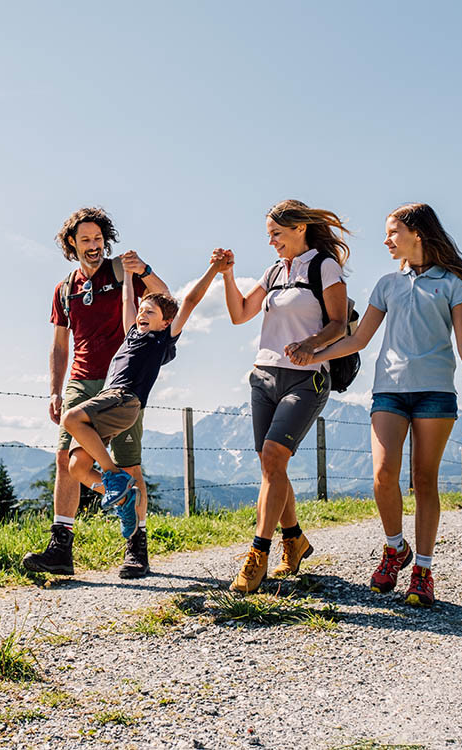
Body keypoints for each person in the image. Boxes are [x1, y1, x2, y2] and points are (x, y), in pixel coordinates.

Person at [291, 202, 462, 607]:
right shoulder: (386, 284)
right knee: (382, 474)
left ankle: (423, 570)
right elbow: (359, 338)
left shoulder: (452, 283)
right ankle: (395, 548)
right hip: (389, 390)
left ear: (417, 233)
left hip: (436, 393)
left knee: (425, 480)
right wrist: (315, 355)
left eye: (393, 232)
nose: (386, 240)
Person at [22, 207, 169, 580]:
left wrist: (145, 271)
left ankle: (136, 548)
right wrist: (55, 390)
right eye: (86, 240)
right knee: (66, 462)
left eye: (99, 239)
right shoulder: (64, 289)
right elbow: (59, 346)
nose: (94, 246)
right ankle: (61, 548)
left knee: (129, 463)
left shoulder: (122, 272)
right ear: (72, 243)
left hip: (121, 382)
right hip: (80, 381)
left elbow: (166, 300)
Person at [217, 199, 352, 593]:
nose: (272, 242)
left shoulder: (324, 267)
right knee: (270, 466)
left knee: (275, 457)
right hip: (264, 374)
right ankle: (294, 540)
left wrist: (311, 343)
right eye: (268, 235)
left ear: (300, 228)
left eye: (277, 233)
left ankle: (258, 554)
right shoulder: (274, 271)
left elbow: (340, 324)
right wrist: (229, 276)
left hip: (306, 377)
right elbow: (240, 313)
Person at [62, 255, 227, 539]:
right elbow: (128, 303)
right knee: (76, 467)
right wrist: (127, 277)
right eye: (143, 310)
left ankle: (115, 476)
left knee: (71, 418)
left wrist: (214, 269)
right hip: (110, 402)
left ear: (166, 323)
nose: (143, 314)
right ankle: (125, 498)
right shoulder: (131, 335)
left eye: (150, 312)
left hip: (125, 400)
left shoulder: (161, 340)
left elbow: (189, 302)